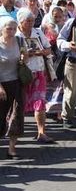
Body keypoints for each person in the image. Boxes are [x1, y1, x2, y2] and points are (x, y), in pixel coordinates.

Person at [16, 10, 54, 143]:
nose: (31, 23)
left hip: (38, 71)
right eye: (28, 21)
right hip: (20, 73)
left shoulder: (37, 32)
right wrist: (25, 55)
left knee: (40, 102)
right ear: (21, 21)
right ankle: (13, 133)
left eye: (32, 20)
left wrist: (42, 52)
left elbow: (48, 49)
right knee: (18, 103)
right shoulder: (15, 34)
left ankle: (41, 132)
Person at [0, 18, 24, 159]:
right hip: (1, 84)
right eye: (9, 28)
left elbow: (24, 59)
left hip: (16, 83)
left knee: (16, 115)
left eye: (14, 29)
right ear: (2, 29)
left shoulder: (19, 41)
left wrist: (24, 57)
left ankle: (11, 149)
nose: (12, 31)